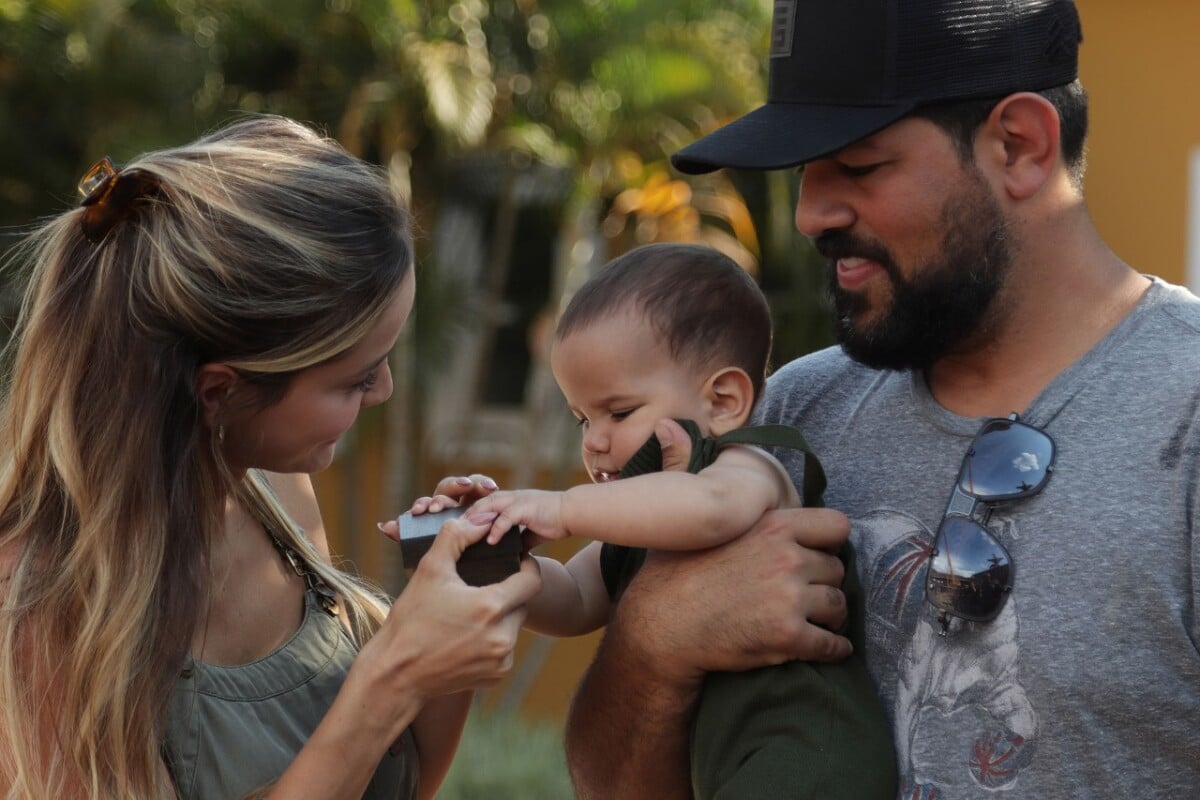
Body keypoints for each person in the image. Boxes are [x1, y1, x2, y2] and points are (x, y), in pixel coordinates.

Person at [563, 1, 1200, 799]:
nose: (808, 214)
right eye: (804, 172)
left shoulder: (1186, 418)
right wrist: (652, 642)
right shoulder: (786, 418)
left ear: (1019, 146)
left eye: (859, 166)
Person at [0, 115, 540, 800]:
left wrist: (449, 622)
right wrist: (395, 674)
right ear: (220, 392)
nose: (386, 391)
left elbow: (393, 785)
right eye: (356, 378)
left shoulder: (275, 494)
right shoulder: (36, 605)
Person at [456, 242, 896, 797]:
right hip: (731, 767)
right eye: (580, 420)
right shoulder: (640, 525)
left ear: (722, 402)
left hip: (810, 754)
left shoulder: (745, 470)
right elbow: (572, 598)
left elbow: (709, 513)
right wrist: (488, 553)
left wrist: (563, 507)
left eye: (619, 413)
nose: (594, 442)